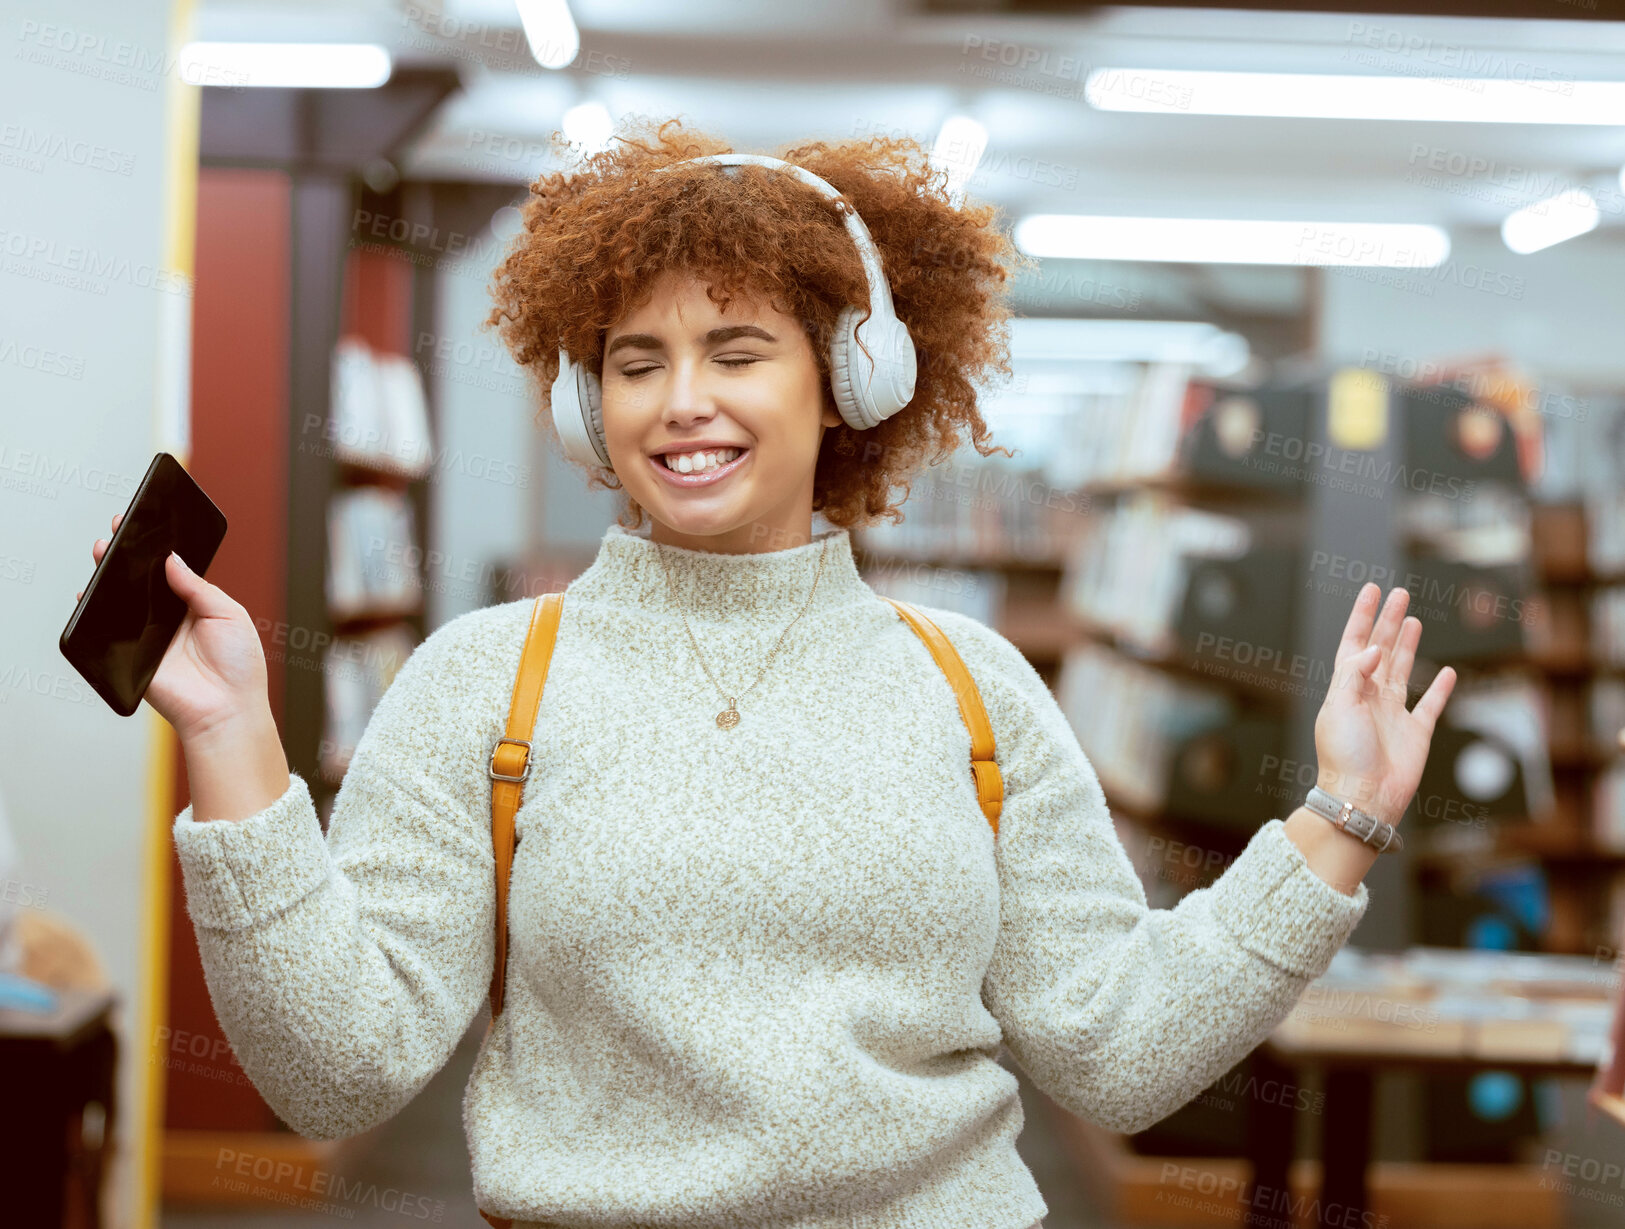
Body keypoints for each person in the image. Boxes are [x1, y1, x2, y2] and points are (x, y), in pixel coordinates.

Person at [86, 119, 1459, 1229]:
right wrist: (235, 741)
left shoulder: (970, 686)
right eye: (636, 362)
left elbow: (1115, 1047)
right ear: (586, 403)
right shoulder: (484, 680)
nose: (683, 399)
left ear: (849, 379)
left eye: (736, 350)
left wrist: (1334, 823)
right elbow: (338, 1070)